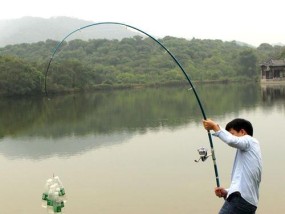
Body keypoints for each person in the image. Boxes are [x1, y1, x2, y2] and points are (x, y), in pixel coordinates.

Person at [203, 118, 262, 214]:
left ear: (242, 132)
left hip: (240, 201)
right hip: (247, 203)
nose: (230, 136)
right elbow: (244, 183)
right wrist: (227, 192)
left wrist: (214, 127)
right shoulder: (248, 152)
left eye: (232, 133)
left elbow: (231, 141)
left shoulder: (250, 141)